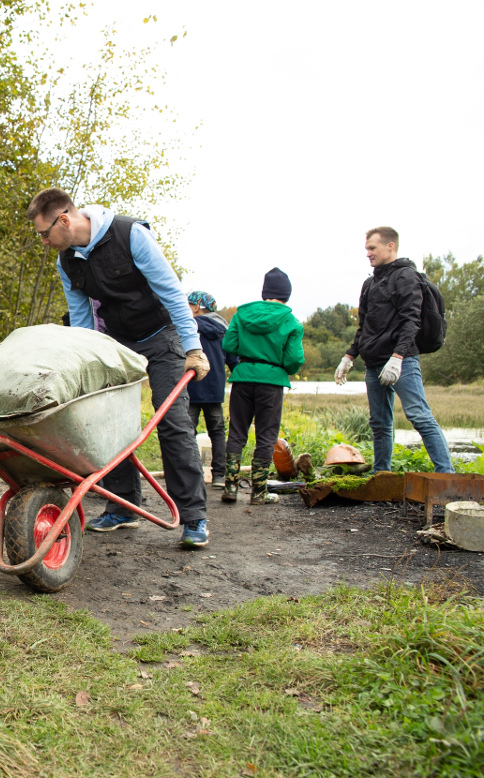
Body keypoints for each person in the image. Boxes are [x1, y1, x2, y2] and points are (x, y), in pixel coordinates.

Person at [27, 187, 212, 548]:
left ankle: (194, 517)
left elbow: (173, 293)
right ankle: (122, 506)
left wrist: (193, 347)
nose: (44, 242)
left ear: (64, 220)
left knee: (172, 421)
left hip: (162, 337)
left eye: (44, 234)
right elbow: (82, 321)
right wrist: (83, 370)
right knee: (104, 418)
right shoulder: (66, 261)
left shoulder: (130, 235)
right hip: (117, 342)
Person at [336, 227, 453, 473]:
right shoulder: (369, 283)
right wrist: (349, 356)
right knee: (379, 424)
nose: (368, 254)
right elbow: (365, 326)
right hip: (374, 363)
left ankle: (446, 474)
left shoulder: (406, 277)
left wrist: (398, 357)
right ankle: (382, 474)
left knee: (419, 416)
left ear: (390, 246)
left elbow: (412, 321)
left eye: (372, 248)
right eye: (367, 249)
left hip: (402, 362)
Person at [221, 269, 305, 504]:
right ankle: (258, 493)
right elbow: (294, 360)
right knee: (266, 436)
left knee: (237, 431)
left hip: (243, 376)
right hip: (272, 381)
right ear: (286, 295)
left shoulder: (242, 315)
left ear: (265, 292)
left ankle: (230, 488)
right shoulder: (291, 322)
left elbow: (229, 343)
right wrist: (280, 366)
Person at [186, 291, 239, 488]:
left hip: (191, 387)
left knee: (188, 431)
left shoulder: (189, 327)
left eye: (189, 305)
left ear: (197, 307)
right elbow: (233, 360)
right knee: (217, 432)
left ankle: (193, 476)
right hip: (215, 389)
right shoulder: (224, 329)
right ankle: (219, 476)